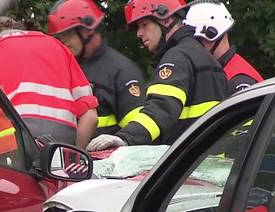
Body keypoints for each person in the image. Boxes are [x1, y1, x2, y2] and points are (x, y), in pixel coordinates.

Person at [87, 0, 227, 151]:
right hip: (208, 161)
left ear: (166, 19)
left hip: (188, 165)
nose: (139, 33)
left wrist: (125, 138)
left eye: (144, 25)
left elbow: (161, 108)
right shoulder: (204, 57)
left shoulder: (177, 57)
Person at [0, 17, 98, 154]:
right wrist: (74, 154)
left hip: (15, 145)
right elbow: (91, 117)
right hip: (61, 138)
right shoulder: (58, 46)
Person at [47, 0, 145, 137]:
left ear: (88, 29)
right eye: (59, 36)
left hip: (108, 157)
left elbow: (137, 130)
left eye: (68, 33)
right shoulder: (62, 69)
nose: (63, 41)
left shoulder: (121, 71)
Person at [182, 0, 263, 95]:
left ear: (214, 35)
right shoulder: (217, 70)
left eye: (197, 40)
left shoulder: (240, 81)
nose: (191, 46)